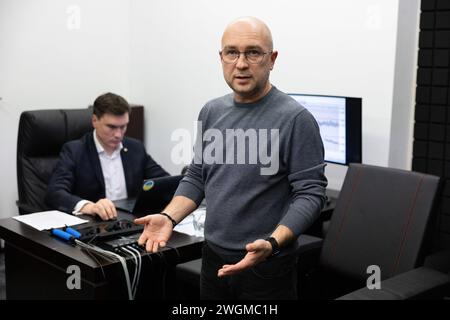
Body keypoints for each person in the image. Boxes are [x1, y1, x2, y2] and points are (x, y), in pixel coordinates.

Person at [135, 17, 327, 299]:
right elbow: (197, 176)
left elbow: (311, 193)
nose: (241, 63)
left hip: (267, 265)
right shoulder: (211, 111)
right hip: (212, 257)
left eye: (253, 52)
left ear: (272, 59)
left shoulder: (296, 119)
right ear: (221, 57)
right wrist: (168, 217)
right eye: (232, 52)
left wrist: (272, 243)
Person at [46, 92, 169, 220]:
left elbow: (164, 181)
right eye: (111, 127)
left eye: (123, 127)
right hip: (94, 224)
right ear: (95, 120)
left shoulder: (135, 148)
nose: (118, 134)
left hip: (129, 221)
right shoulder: (75, 151)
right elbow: (55, 193)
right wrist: (90, 207)